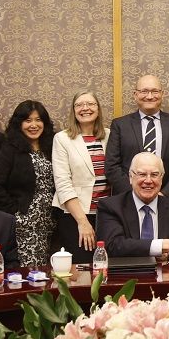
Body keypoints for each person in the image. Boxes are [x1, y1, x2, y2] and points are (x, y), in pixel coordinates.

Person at [104, 75, 169, 208]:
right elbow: (112, 166)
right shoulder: (120, 125)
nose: (149, 96)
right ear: (135, 94)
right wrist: (136, 194)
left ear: (162, 94)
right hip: (129, 202)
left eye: (155, 91)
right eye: (144, 91)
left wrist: (165, 195)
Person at [0, 100, 56, 267]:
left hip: (52, 221)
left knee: (52, 270)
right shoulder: (10, 149)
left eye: (38, 120)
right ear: (19, 124)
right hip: (24, 224)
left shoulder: (52, 146)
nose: (33, 125)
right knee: (29, 272)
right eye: (28, 120)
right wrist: (17, 214)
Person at [96, 152, 169, 258]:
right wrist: (164, 245)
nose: (148, 180)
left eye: (154, 175)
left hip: (166, 273)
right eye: (142, 174)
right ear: (130, 177)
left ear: (161, 178)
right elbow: (113, 246)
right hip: (126, 274)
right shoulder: (110, 207)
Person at [52, 91, 111, 264]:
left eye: (91, 104)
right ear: (73, 110)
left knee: (108, 267)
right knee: (83, 268)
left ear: (98, 109)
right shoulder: (62, 138)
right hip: (75, 215)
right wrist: (83, 222)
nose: (85, 108)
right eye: (79, 105)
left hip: (107, 216)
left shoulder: (109, 135)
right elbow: (63, 183)